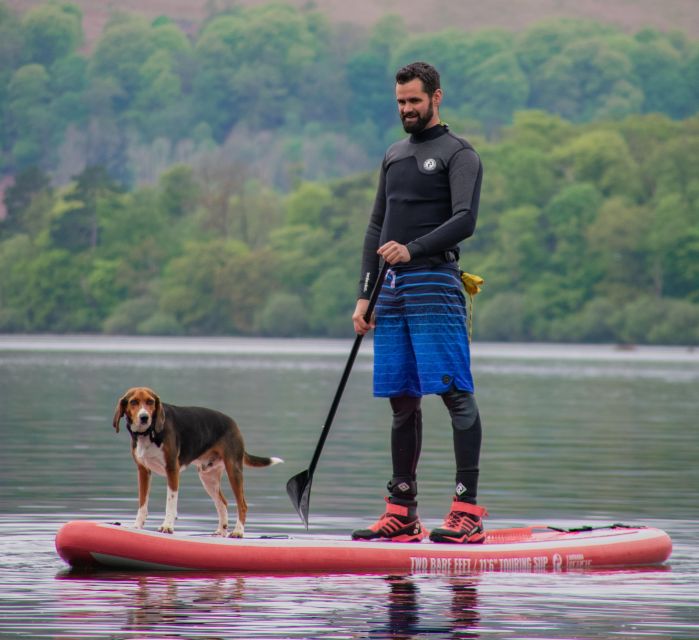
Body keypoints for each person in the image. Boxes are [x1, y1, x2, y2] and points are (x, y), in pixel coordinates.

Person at [351, 61, 487, 544]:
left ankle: (467, 511)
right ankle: (402, 512)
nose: (406, 109)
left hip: (435, 285)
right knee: (402, 401)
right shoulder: (393, 154)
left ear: (436, 98)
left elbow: (465, 219)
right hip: (389, 292)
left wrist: (413, 249)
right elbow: (376, 227)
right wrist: (365, 294)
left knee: (454, 394)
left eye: (414, 101)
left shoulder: (459, 154)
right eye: (400, 102)